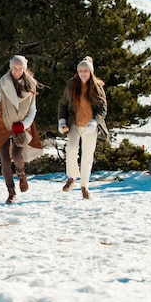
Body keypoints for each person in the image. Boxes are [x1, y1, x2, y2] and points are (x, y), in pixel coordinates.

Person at [0, 55, 44, 204]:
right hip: (3, 125)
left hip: (21, 126)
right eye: (14, 68)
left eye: (19, 69)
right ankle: (11, 192)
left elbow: (33, 111)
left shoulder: (31, 85)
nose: (16, 71)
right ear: (10, 68)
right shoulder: (4, 83)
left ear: (24, 69)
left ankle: (21, 174)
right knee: (5, 160)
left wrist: (24, 125)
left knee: (17, 155)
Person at [57, 56, 109, 199]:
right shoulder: (72, 86)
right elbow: (62, 104)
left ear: (91, 72)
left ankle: (84, 186)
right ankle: (71, 178)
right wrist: (62, 121)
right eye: (80, 70)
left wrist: (95, 122)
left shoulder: (97, 87)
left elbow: (103, 108)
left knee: (87, 156)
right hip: (74, 123)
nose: (83, 73)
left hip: (90, 126)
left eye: (86, 70)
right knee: (71, 148)